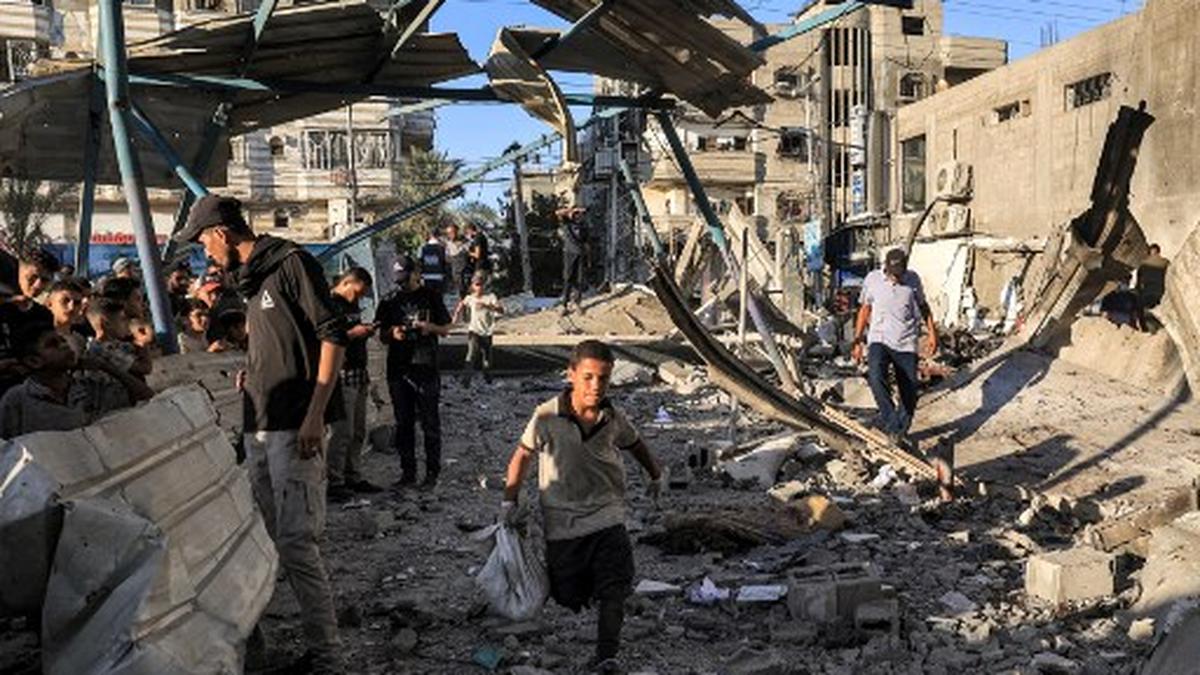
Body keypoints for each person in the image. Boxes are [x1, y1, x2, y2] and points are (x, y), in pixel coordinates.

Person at [176, 193, 348, 674]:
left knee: (297, 545)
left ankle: (328, 657)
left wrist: (315, 413)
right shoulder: (250, 280)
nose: (205, 253)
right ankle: (258, 651)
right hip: (261, 424)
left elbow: (332, 335)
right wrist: (254, 372)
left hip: (296, 427)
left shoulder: (291, 263)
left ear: (222, 233)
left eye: (204, 243)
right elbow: (279, 341)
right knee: (265, 542)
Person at [500, 340, 664, 674]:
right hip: (563, 521)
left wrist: (655, 475)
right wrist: (509, 500)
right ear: (571, 374)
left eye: (603, 378)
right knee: (566, 593)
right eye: (588, 377)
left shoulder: (613, 417)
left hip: (607, 514)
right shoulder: (547, 415)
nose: (596, 386)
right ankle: (590, 593)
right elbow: (522, 455)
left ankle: (606, 656)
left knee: (615, 585)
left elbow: (635, 444)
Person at [0, 323, 152, 437]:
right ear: (34, 361)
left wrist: (107, 367)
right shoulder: (17, 400)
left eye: (63, 341)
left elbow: (148, 398)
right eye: (53, 345)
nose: (64, 346)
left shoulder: (89, 388)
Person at [376, 255, 450, 488]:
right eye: (399, 279)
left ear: (416, 274)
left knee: (430, 423)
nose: (402, 284)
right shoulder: (389, 300)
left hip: (426, 366)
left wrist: (429, 328)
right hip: (399, 369)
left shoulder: (431, 296)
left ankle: (432, 473)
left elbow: (446, 328)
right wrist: (393, 333)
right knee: (404, 424)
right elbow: (381, 335)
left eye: (406, 278)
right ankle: (408, 473)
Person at [852, 248, 937, 447]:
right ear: (885, 268)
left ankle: (900, 430)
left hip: (906, 342)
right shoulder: (872, 279)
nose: (896, 278)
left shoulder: (913, 280)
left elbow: (923, 307)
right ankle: (893, 425)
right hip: (879, 339)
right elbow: (865, 309)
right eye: (892, 274)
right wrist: (858, 341)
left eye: (899, 274)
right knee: (875, 377)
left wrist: (933, 333)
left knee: (909, 390)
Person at [327, 267, 381, 501]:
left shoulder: (351, 306)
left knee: (358, 430)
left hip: (359, 371)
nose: (358, 298)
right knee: (342, 431)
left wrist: (364, 331)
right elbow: (327, 339)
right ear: (347, 283)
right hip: (342, 373)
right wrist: (352, 334)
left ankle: (353, 475)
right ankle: (334, 480)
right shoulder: (329, 304)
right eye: (357, 292)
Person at [80, 299, 155, 417]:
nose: (126, 324)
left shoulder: (116, 344)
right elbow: (145, 368)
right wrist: (143, 341)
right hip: (111, 411)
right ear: (106, 323)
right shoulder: (104, 349)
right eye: (121, 319)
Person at [0, 247, 59, 398]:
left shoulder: (44, 315)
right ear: (19, 269)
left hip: (29, 392)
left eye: (45, 280)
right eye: (32, 277)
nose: (37, 285)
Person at [452, 271, 503, 385]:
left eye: (481, 284)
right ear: (473, 286)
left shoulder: (490, 297)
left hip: (487, 331)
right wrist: (456, 316)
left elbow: (501, 310)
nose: (479, 288)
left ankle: (487, 378)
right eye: (476, 285)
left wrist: (487, 306)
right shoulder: (470, 298)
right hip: (474, 330)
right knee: (471, 355)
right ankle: (466, 380)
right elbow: (461, 304)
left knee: (487, 358)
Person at [557, 206, 588, 315]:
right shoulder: (566, 223)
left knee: (579, 280)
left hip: (580, 254)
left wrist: (587, 255)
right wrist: (572, 210)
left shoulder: (583, 225)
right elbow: (558, 213)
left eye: (581, 214)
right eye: (577, 214)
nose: (579, 216)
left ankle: (577, 303)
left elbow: (586, 242)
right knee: (568, 279)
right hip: (569, 254)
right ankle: (564, 305)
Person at [45, 278, 87, 356]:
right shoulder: (36, 337)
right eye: (65, 301)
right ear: (49, 304)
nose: (71, 307)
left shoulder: (80, 341)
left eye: (77, 303)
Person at [1136, 243, 1169, 311]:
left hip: (1147, 291)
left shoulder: (1144, 264)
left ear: (1149, 252)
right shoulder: (1165, 262)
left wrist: (1138, 290)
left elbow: (1139, 280)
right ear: (1159, 251)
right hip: (1159, 290)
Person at [417, 230, 450, 295]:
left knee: (428, 296)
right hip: (439, 276)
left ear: (429, 236)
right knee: (438, 297)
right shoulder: (443, 248)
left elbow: (419, 262)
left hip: (427, 276)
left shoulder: (422, 248)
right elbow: (447, 261)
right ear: (438, 236)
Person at [444, 222, 468, 297]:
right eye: (448, 233)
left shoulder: (464, 242)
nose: (449, 235)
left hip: (462, 275)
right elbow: (447, 258)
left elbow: (465, 256)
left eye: (451, 232)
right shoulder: (448, 243)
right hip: (452, 277)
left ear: (456, 232)